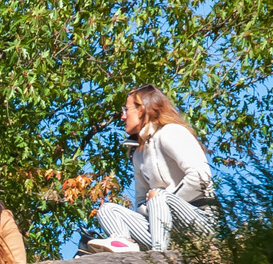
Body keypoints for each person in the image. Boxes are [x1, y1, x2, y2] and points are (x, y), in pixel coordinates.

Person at [89, 86, 219, 252]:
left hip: (201, 221)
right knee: (107, 210)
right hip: (164, 226)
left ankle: (160, 257)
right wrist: (155, 209)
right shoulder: (138, 153)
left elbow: (201, 178)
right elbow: (141, 201)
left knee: (159, 197)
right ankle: (124, 244)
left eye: (126, 110)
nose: (122, 117)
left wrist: (161, 200)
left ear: (142, 109)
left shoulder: (171, 132)